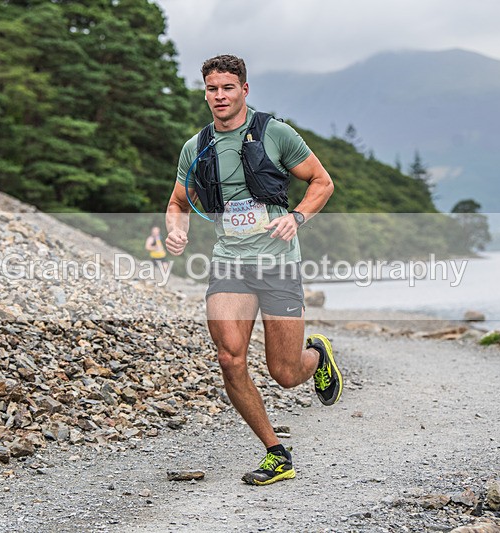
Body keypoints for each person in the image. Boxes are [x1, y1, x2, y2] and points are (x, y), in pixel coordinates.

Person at [165, 54, 342, 485]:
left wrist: (296, 217)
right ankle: (276, 452)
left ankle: (316, 355)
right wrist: (176, 230)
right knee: (230, 358)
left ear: (244, 90)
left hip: (279, 263)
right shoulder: (196, 146)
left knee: (284, 373)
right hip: (230, 264)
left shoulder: (274, 133)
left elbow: (322, 182)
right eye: (212, 89)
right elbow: (177, 202)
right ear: (205, 92)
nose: (219, 96)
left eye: (228, 88)